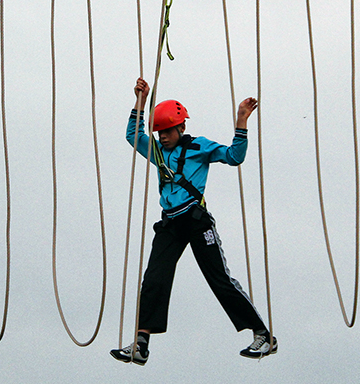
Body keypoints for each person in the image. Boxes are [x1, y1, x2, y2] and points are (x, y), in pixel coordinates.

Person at [111, 77, 276, 365]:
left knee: (219, 280)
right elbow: (133, 136)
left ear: (181, 128)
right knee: (154, 279)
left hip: (196, 221)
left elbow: (234, 157)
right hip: (171, 223)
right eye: (159, 132)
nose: (161, 136)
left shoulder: (200, 147)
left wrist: (241, 122)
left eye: (166, 131)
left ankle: (263, 334)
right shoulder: (158, 153)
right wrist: (140, 99)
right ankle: (141, 342)